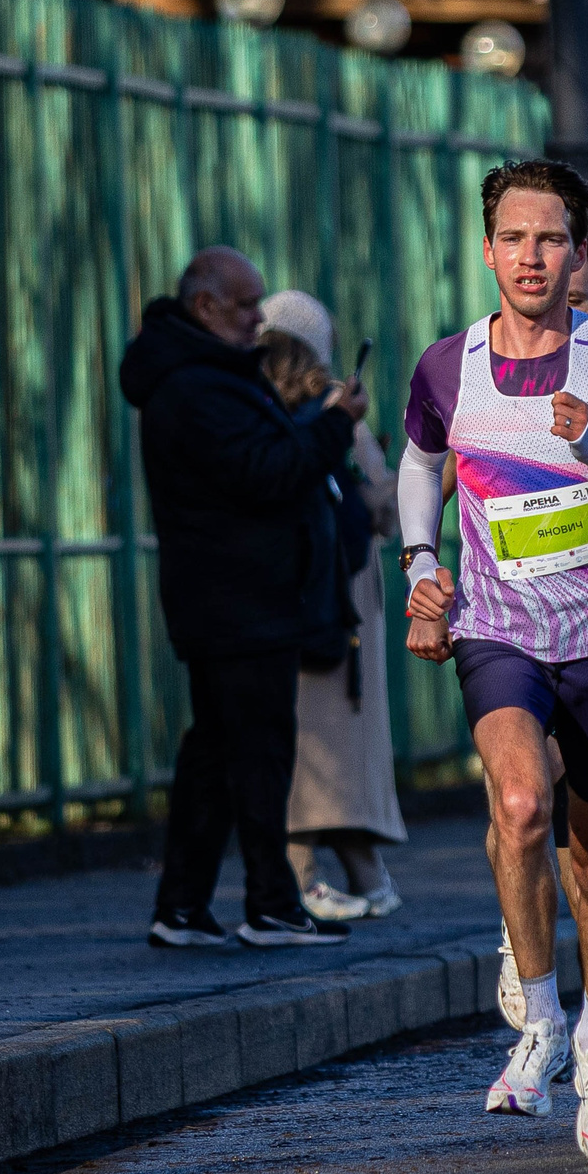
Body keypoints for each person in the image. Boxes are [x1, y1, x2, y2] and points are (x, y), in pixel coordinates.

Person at [399, 159, 588, 1166]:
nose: (532, 258)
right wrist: (420, 567)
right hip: (499, 630)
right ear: (488, 250)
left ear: (578, 254)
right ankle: (535, 1018)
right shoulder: (449, 366)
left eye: (551, 239)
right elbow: (422, 460)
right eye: (514, 238)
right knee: (522, 807)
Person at [122, 246, 361, 951]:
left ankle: (185, 905)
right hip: (239, 601)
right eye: (246, 304)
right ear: (205, 307)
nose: (260, 319)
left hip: (229, 597)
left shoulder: (204, 376)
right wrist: (335, 422)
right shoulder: (197, 386)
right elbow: (270, 469)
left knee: (217, 753)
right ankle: (270, 903)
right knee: (256, 751)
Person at [255, 290, 409, 922]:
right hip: (341, 602)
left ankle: (327, 873)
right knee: (338, 739)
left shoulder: (256, 411)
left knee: (303, 736)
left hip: (280, 593)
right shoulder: (330, 415)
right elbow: (382, 507)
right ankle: (345, 874)